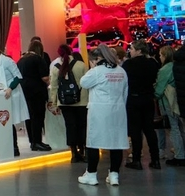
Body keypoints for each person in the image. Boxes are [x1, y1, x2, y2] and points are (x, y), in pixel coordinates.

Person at [78, 44, 128, 186]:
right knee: (116, 143)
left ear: (96, 59)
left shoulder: (96, 71)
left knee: (94, 142)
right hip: (118, 110)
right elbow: (125, 92)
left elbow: (83, 82)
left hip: (99, 111)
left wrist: (94, 67)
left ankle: (91, 174)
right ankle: (114, 175)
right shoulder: (121, 71)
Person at [0, 44, 30, 156]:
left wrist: (10, 88)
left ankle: (14, 147)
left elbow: (18, 77)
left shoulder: (7, 61)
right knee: (6, 120)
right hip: (3, 94)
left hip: (12, 93)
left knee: (10, 121)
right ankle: (9, 146)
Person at [122, 40, 161, 170]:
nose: (130, 51)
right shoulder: (152, 63)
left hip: (133, 99)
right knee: (149, 129)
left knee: (135, 131)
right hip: (148, 99)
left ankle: (136, 159)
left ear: (139, 51)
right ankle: (155, 159)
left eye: (132, 49)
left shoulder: (128, 64)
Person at [49, 45, 88, 163]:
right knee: (82, 126)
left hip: (64, 102)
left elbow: (54, 87)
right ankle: (84, 151)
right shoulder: (81, 65)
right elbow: (87, 83)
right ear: (71, 51)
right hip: (82, 101)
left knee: (70, 127)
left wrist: (54, 103)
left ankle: (74, 154)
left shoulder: (55, 67)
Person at [18, 40, 51, 151]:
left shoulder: (21, 60)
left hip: (24, 91)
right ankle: (38, 141)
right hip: (37, 92)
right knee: (38, 116)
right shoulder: (38, 59)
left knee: (29, 117)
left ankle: (32, 141)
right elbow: (44, 77)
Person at [154, 46, 185, 166]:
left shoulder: (165, 69)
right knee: (180, 127)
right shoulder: (176, 65)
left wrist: (154, 94)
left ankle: (180, 155)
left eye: (160, 55)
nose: (160, 57)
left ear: (165, 56)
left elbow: (159, 89)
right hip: (177, 101)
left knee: (173, 128)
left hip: (168, 101)